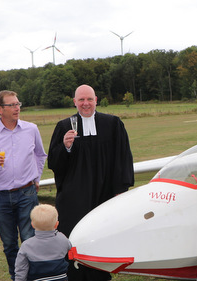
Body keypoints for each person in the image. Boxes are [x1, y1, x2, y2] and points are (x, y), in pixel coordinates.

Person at [48, 84, 134, 281]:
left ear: (96, 100)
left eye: (89, 99)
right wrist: (66, 147)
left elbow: (123, 157)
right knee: (74, 238)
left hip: (104, 194)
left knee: (101, 237)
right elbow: (53, 162)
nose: (85, 104)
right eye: (81, 100)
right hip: (74, 196)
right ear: (74, 102)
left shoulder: (112, 124)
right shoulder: (64, 126)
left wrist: (121, 189)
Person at [0, 90, 47, 280]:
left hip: (27, 193)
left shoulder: (31, 129)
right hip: (1, 196)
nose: (17, 108)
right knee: (9, 244)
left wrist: (36, 179)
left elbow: (40, 155)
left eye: (18, 104)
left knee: (29, 240)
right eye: (12, 105)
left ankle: (34, 277)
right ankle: (16, 277)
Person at [15, 204, 72, 281]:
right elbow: (70, 248)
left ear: (32, 225)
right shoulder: (62, 239)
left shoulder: (26, 245)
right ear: (56, 224)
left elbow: (21, 268)